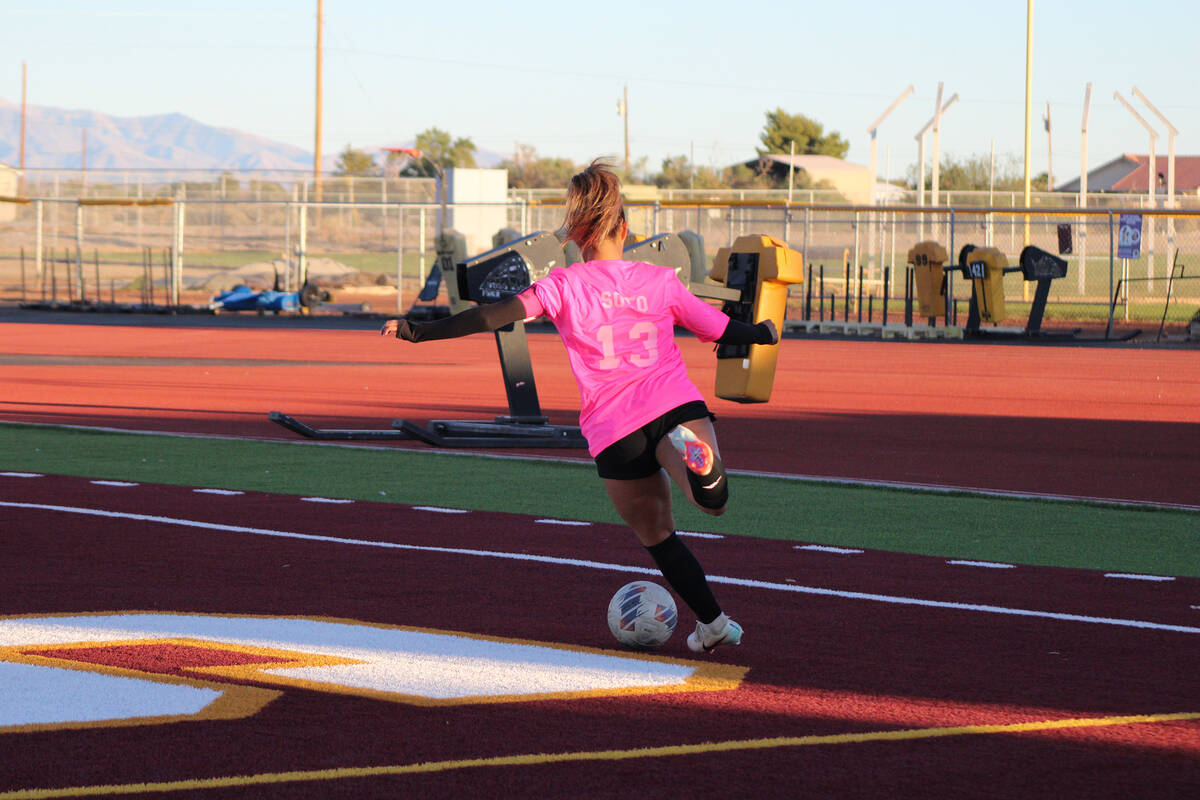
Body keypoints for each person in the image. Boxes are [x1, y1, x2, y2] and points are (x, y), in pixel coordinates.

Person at [381, 159, 778, 653]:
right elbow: (717, 329)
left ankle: (714, 623)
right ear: (625, 229)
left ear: (578, 233)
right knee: (711, 504)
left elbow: (492, 316)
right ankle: (705, 472)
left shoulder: (563, 286)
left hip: (614, 431)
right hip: (673, 406)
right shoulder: (658, 280)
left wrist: (420, 331)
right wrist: (760, 333)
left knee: (658, 535)